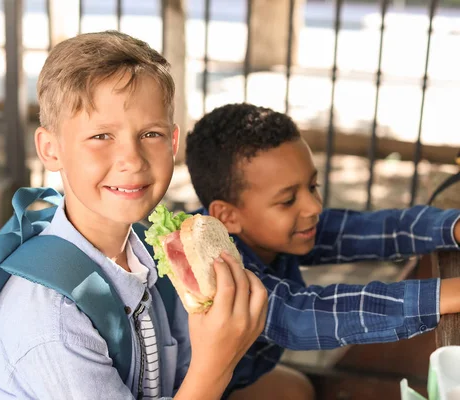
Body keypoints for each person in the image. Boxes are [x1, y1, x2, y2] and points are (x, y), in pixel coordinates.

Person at [0, 33, 269, 399]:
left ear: (174, 143)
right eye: (101, 136)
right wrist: (217, 365)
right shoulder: (50, 320)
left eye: (150, 133)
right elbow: (202, 376)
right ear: (50, 150)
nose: (132, 159)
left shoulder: (150, 258)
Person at [185, 103, 460, 400]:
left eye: (312, 186)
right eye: (288, 199)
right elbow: (302, 316)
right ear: (228, 217)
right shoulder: (213, 269)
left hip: (237, 378)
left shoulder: (267, 230)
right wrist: (443, 295)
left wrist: (452, 227)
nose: (314, 206)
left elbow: (371, 230)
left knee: (297, 390)